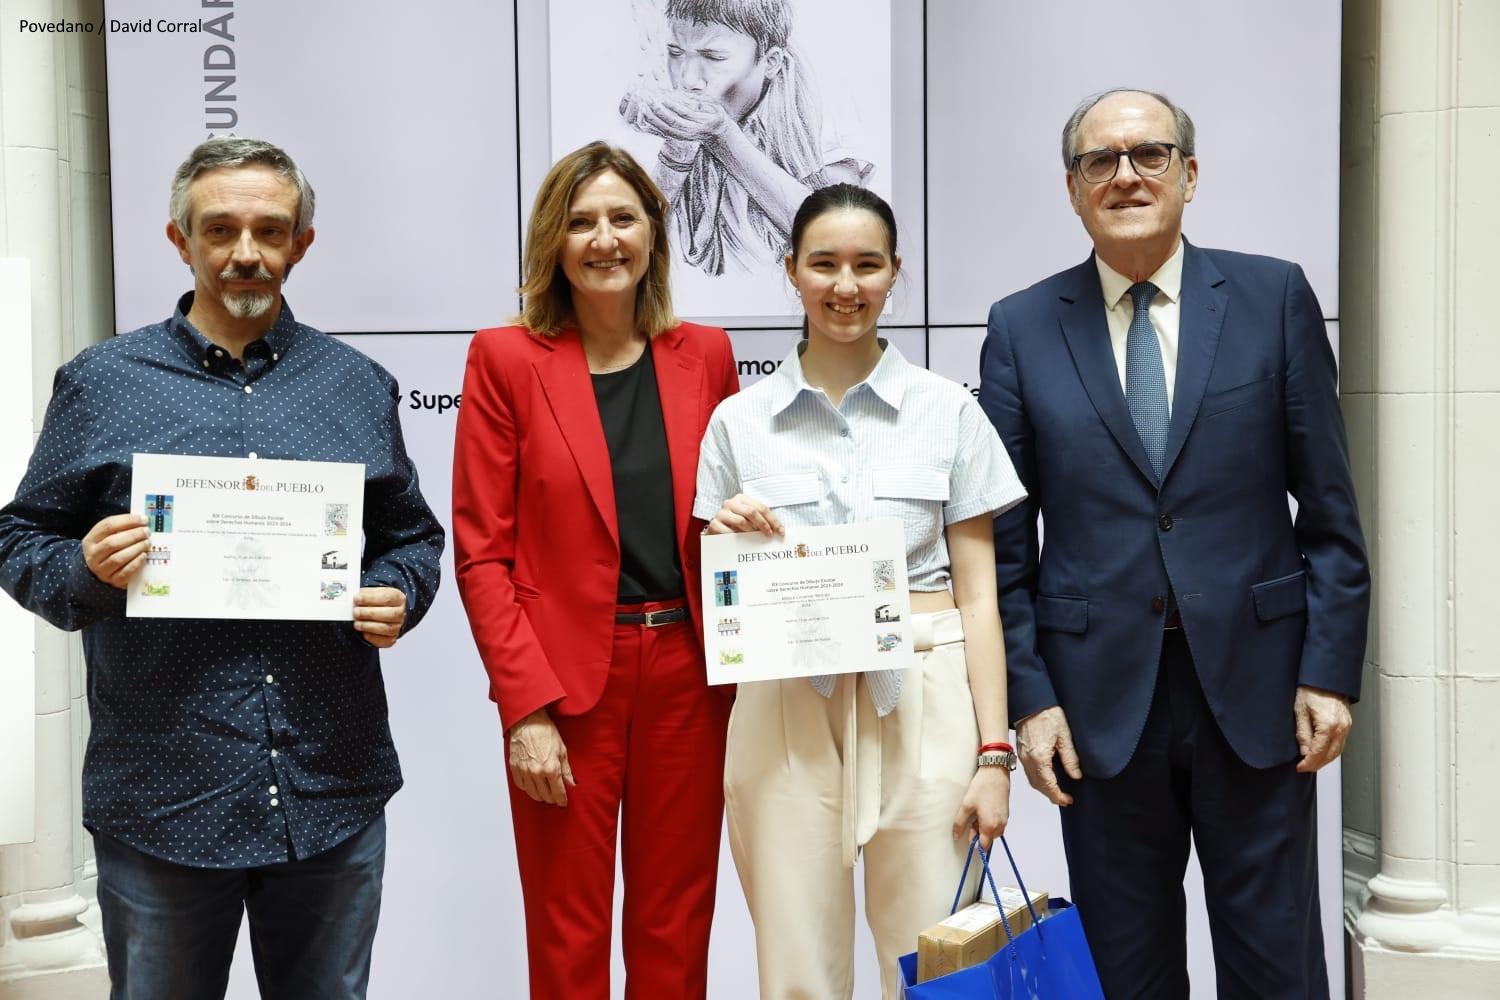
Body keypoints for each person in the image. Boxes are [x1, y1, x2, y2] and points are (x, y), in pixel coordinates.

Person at [0, 136, 445, 999]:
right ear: (180, 239)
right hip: (163, 795)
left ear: (301, 244)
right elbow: (22, 541)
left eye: (270, 230)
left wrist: (402, 591)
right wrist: (87, 569)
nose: (246, 252)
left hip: (329, 790)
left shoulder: (355, 384)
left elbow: (410, 537)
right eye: (221, 230)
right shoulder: (102, 382)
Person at [978, 89, 1371, 999]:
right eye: (1099, 162)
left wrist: (1329, 670)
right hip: (1098, 707)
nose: (1126, 175)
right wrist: (1029, 701)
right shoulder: (1022, 326)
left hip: (1260, 689)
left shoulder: (1273, 296)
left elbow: (1331, 512)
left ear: (1189, 175)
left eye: (1149, 155)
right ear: (1072, 190)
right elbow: (1004, 544)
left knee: (1277, 965)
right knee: (1129, 971)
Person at [696, 183, 1025, 999]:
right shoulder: (738, 422)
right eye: (825, 264)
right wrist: (726, 538)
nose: (846, 285)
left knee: (933, 963)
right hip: (784, 705)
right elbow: (722, 598)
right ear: (792, 273)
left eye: (867, 265)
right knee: (796, 969)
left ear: (894, 274)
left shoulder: (949, 411)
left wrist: (994, 755)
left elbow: (980, 598)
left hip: (926, 695)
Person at [451, 141, 738, 999]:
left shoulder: (708, 355)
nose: (604, 238)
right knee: (567, 930)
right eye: (581, 222)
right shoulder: (505, 358)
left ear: (654, 230)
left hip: (691, 676)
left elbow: (726, 517)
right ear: (553, 242)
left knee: (676, 921)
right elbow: (481, 551)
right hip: (566, 684)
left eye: (622, 217)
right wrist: (524, 709)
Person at [620, 0, 871, 275]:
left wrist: (722, 136)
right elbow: (635, 254)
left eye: (714, 57)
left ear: (770, 63)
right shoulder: (666, 95)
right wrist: (678, 147)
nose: (688, 79)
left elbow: (841, 236)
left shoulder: (821, 104)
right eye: (676, 52)